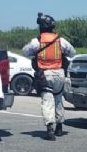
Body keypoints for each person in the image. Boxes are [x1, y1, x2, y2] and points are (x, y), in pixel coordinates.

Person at [22, 13, 76, 141]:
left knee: (47, 101)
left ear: (41, 27)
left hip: (45, 74)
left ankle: (50, 130)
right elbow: (73, 52)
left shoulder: (37, 41)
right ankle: (59, 128)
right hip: (59, 73)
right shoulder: (60, 40)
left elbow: (25, 52)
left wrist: (36, 55)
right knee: (58, 100)